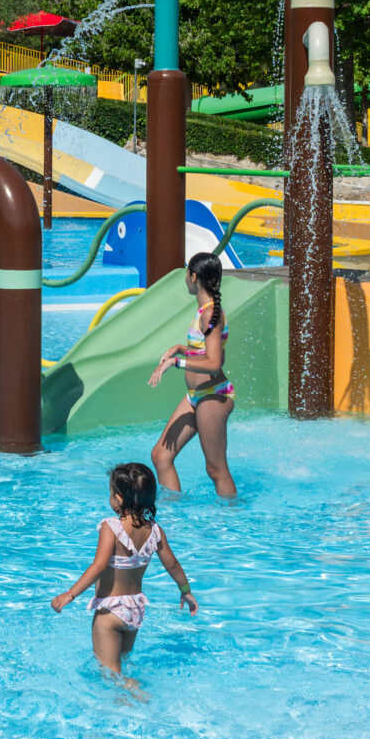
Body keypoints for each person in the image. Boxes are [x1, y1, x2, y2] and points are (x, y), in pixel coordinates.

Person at [50, 461, 198, 687]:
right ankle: (130, 692)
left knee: (110, 674)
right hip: (135, 610)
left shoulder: (112, 527)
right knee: (122, 662)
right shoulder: (155, 531)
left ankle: (133, 691)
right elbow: (173, 565)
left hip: (110, 613)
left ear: (118, 498)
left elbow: (98, 566)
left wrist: (70, 594)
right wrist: (186, 591)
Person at [149, 252, 237, 499]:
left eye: (186, 272)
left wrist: (177, 362)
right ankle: (176, 517)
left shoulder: (210, 313)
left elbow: (214, 363)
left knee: (216, 469)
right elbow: (205, 351)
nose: (185, 277)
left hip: (213, 396)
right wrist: (180, 348)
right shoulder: (204, 312)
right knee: (160, 456)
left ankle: (232, 523)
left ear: (194, 277)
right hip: (195, 395)